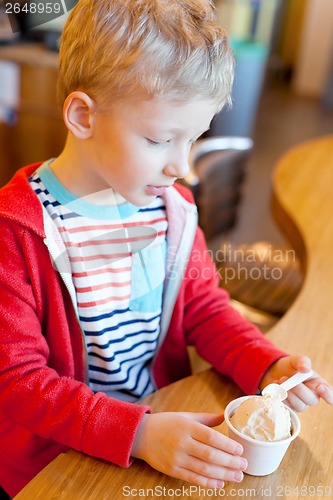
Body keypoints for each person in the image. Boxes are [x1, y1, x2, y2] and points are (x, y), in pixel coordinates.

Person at [0, 0, 332, 496]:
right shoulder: (16, 233)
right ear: (82, 116)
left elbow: (205, 309)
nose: (182, 166)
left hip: (162, 434)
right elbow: (18, 382)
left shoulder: (170, 208)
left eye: (193, 139)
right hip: (58, 466)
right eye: (159, 139)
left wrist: (264, 363)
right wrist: (138, 433)